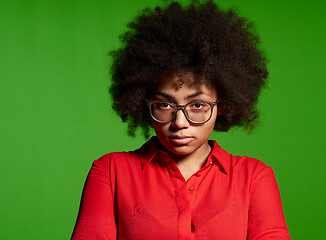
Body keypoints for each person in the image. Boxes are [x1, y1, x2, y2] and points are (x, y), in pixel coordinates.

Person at [71, 0, 291, 239]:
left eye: (197, 105)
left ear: (224, 104)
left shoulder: (254, 177)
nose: (179, 123)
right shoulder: (110, 173)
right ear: (142, 102)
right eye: (164, 104)